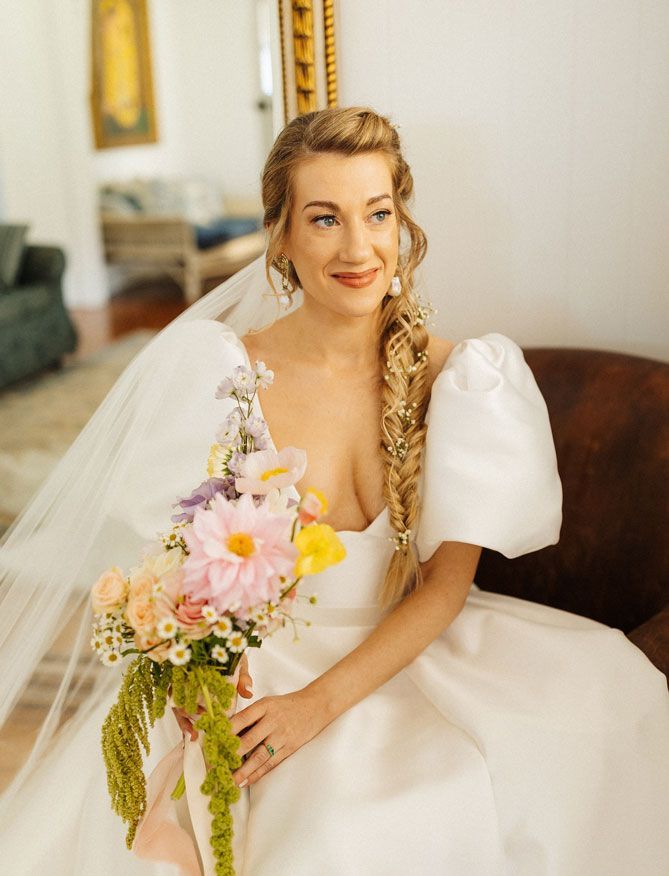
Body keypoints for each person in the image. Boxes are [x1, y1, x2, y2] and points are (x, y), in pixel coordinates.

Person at [0, 106, 668, 875]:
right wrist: (210, 682)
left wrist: (315, 706)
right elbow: (183, 570)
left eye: (376, 213)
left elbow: (444, 588)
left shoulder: (462, 379)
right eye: (324, 219)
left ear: (400, 222)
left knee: (568, 740)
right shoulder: (218, 373)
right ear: (280, 236)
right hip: (256, 663)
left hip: (411, 648)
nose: (358, 248)